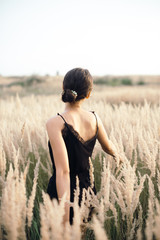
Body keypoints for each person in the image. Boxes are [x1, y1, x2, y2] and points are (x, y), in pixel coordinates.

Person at [46, 68, 120, 226]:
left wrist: (65, 217)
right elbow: (108, 147)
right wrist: (119, 156)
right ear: (88, 94)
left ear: (63, 87)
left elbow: (64, 172)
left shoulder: (55, 123)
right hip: (87, 189)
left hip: (62, 191)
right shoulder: (94, 118)